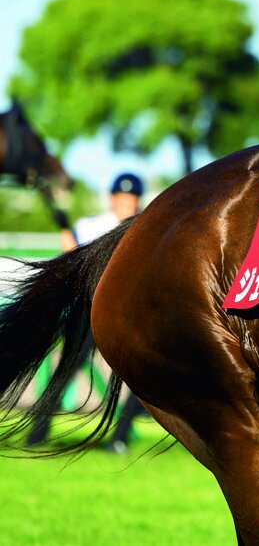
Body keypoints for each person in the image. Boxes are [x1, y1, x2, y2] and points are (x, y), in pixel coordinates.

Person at [27, 173, 148, 452]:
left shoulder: (144, 229)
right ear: (111, 199)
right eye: (120, 198)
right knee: (66, 370)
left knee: (141, 375)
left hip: (128, 315)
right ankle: (36, 434)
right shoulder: (94, 226)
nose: (124, 203)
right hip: (90, 310)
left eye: (129, 199)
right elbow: (71, 254)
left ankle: (119, 438)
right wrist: (61, 221)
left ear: (137, 201)